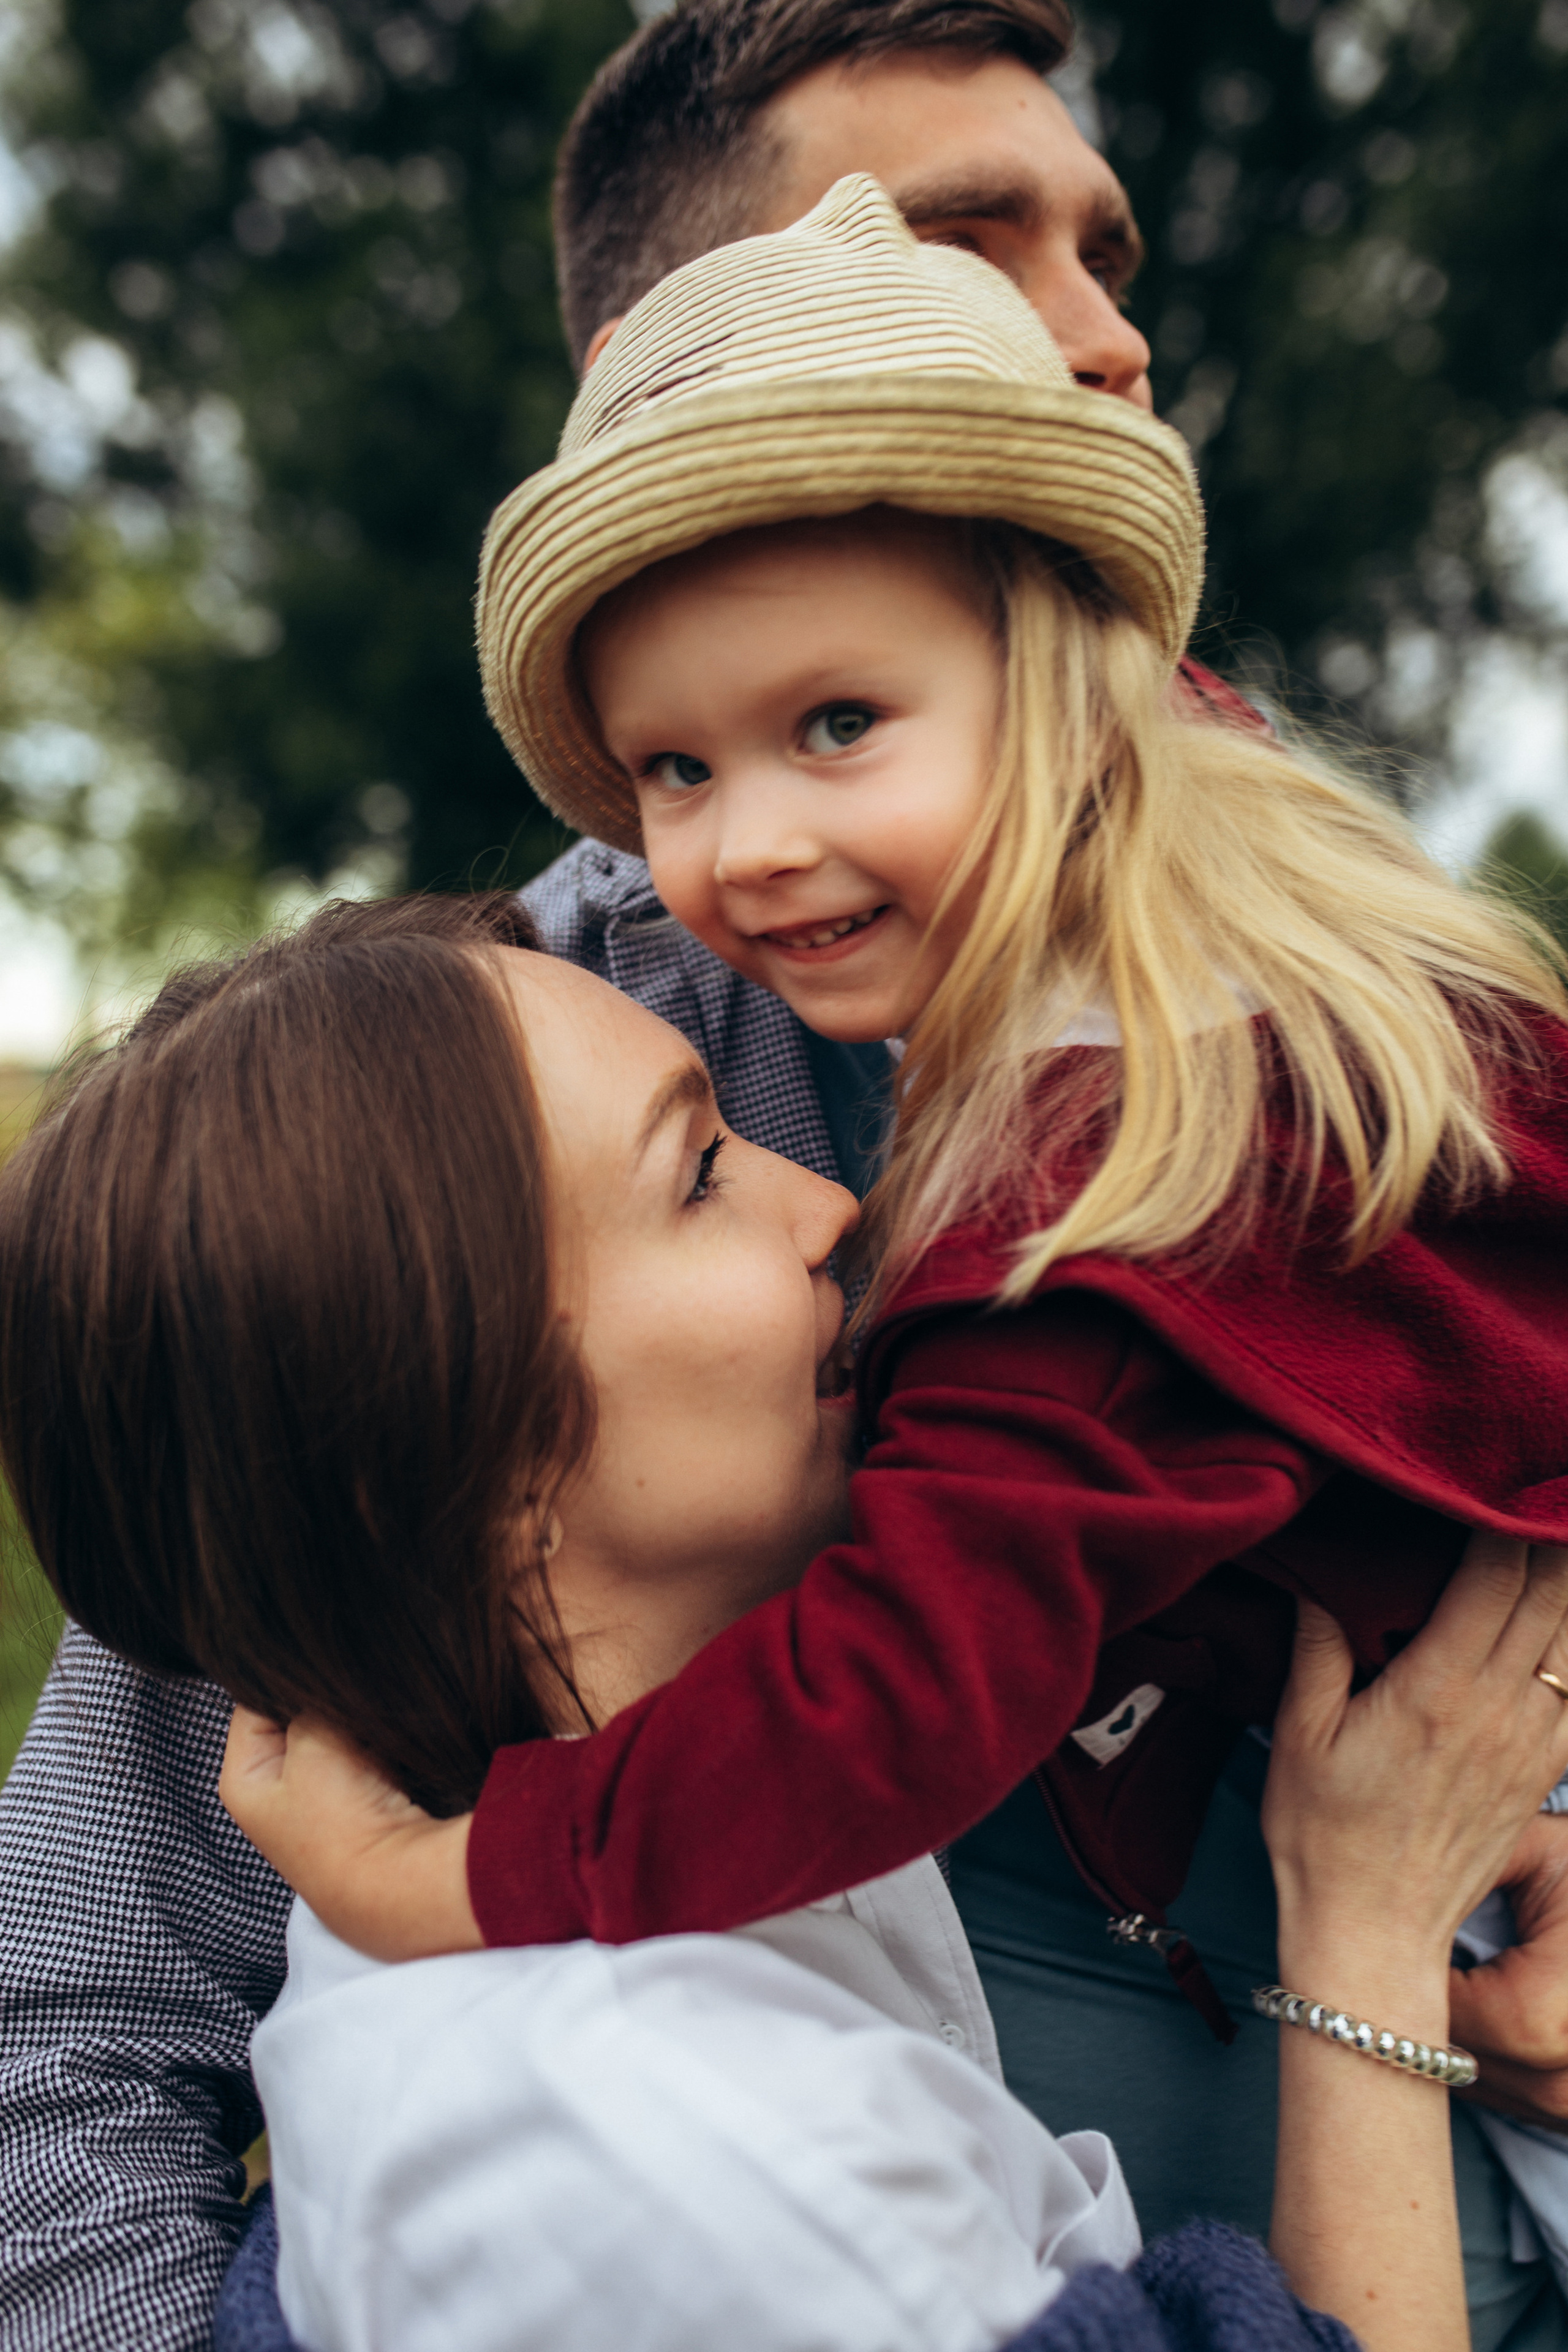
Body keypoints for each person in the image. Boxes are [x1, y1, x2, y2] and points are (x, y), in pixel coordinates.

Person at [0, 4, 1557, 2343]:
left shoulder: (1281, 999)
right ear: (670, 380)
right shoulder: (431, 1168)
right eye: (965, 243)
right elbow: (78, 2048)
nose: (1103, 332)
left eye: (1105, 251)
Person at [4, 890, 1566, 2352]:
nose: (839, 1201)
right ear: (446, 1463)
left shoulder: (705, 1860)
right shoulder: (684, 2143)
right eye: (696, 1178)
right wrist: (1366, 1922)